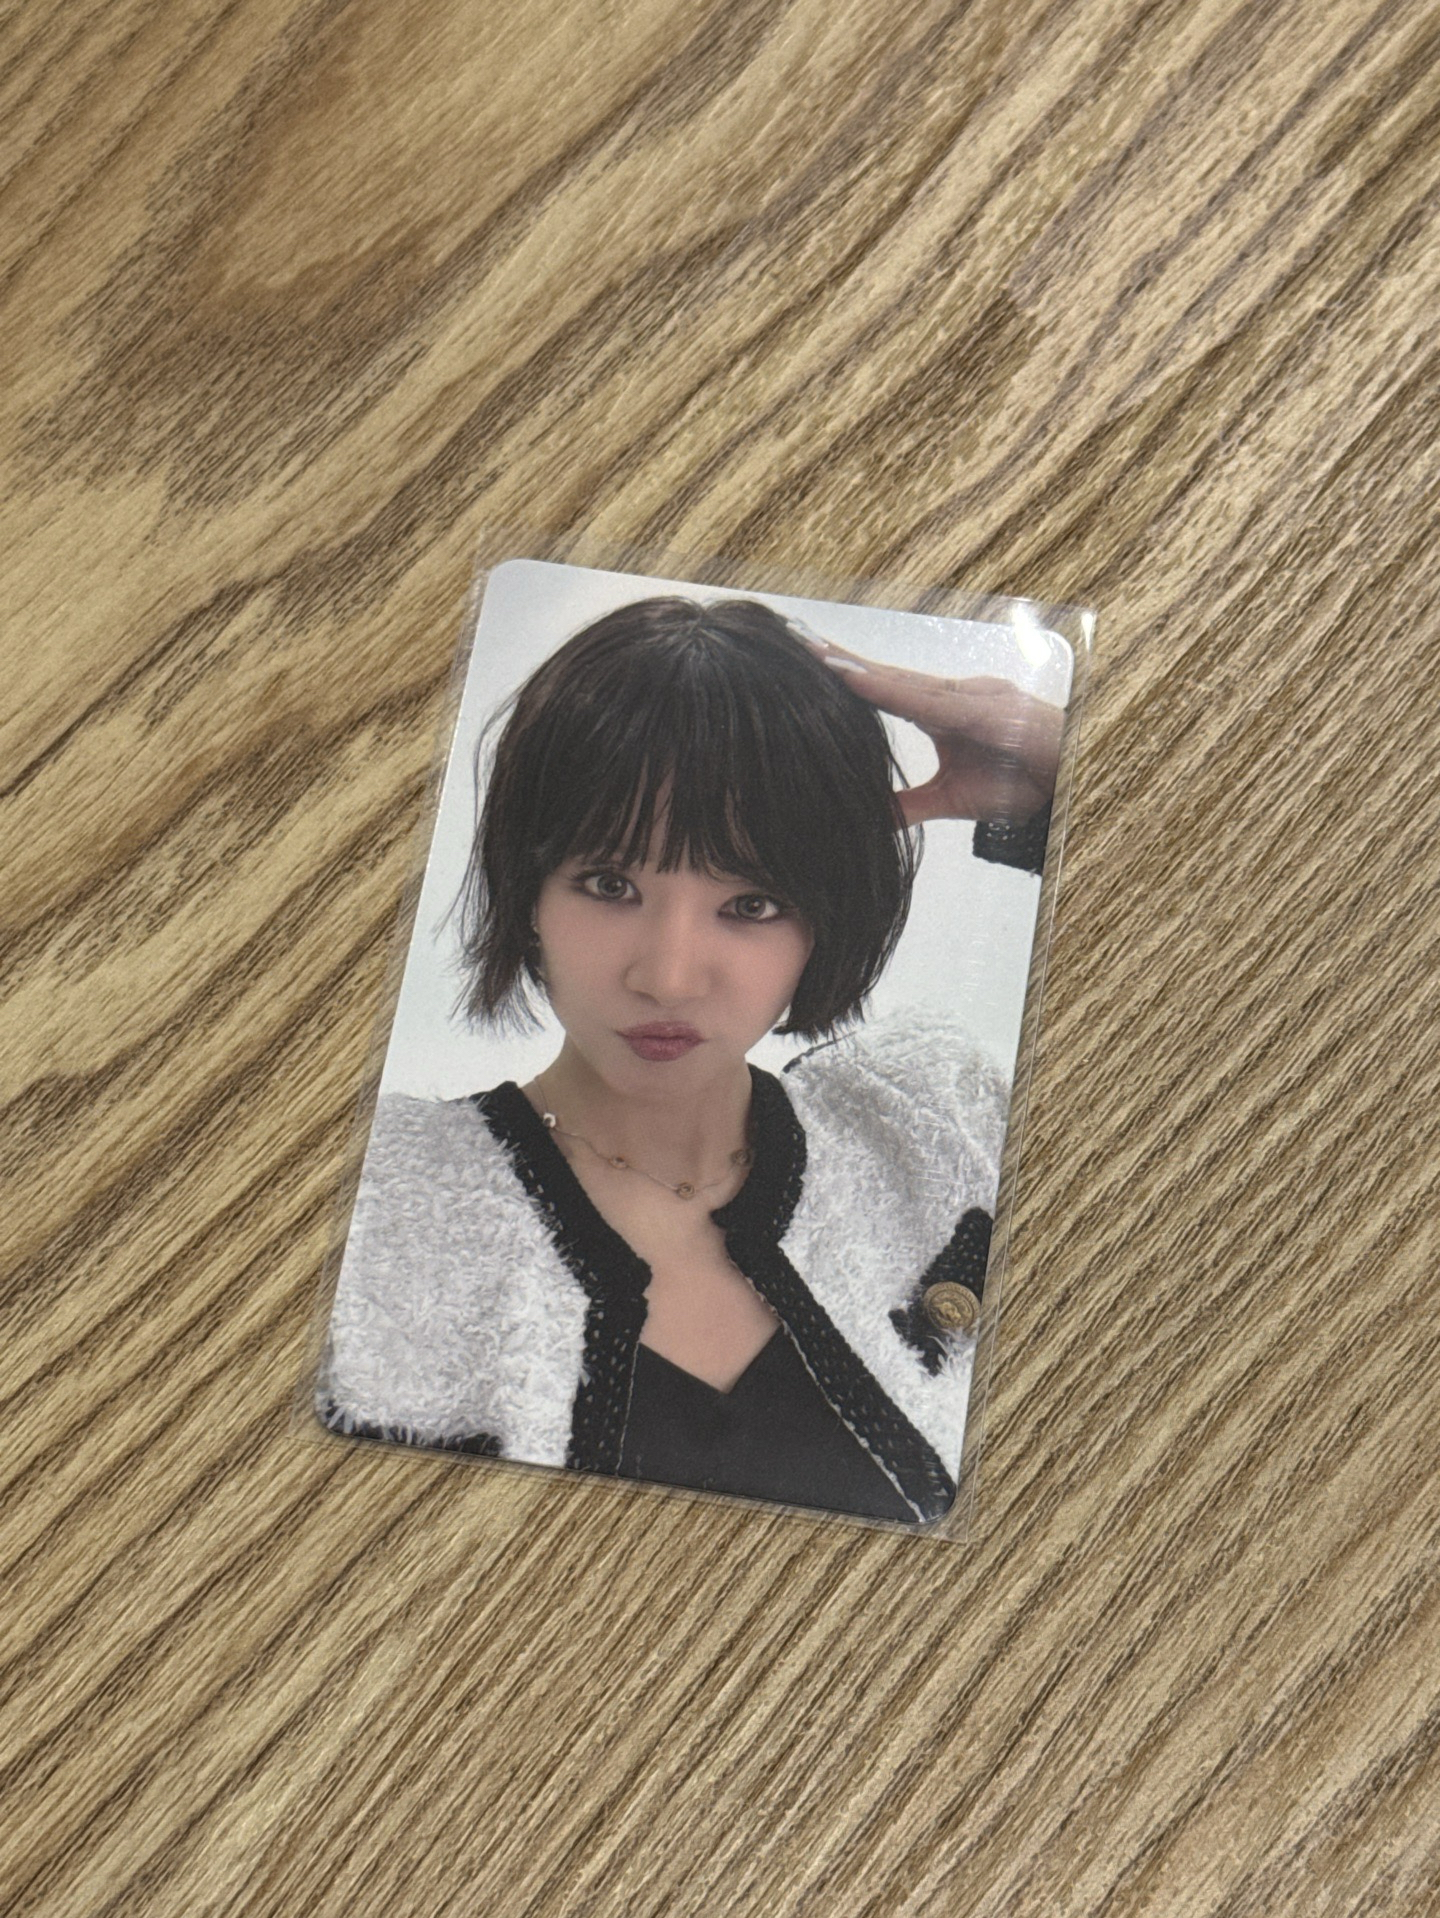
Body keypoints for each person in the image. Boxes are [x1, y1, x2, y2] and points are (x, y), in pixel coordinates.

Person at [317, 595, 1062, 1524]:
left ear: (829, 912)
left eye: (751, 903)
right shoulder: (376, 1201)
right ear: (527, 889)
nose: (667, 978)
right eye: (609, 884)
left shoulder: (931, 1126)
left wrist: (1063, 778)